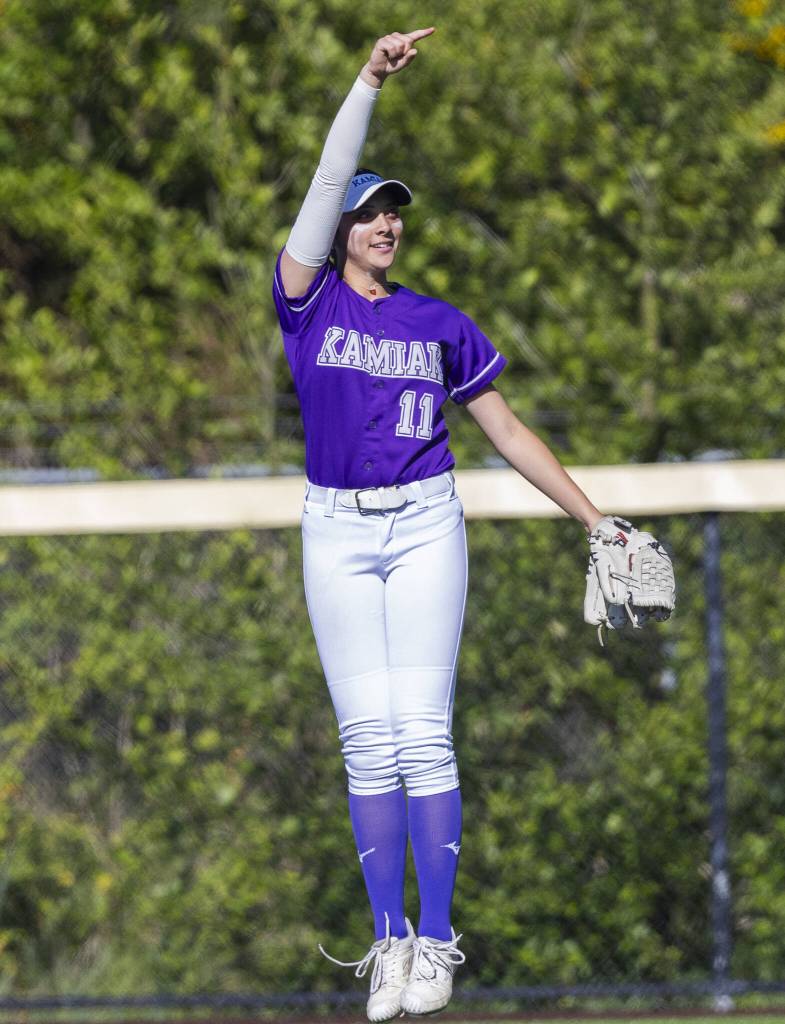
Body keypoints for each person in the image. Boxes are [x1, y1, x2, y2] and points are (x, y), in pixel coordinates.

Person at [272, 28, 604, 1023]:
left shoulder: (437, 322)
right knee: (367, 743)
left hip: (423, 524)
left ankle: (435, 941)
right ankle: (386, 942)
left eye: (390, 215)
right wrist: (367, 80)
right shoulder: (304, 301)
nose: (380, 224)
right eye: (366, 212)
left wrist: (593, 516)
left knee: (423, 733)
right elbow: (330, 172)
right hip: (334, 528)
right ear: (336, 228)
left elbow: (503, 427)